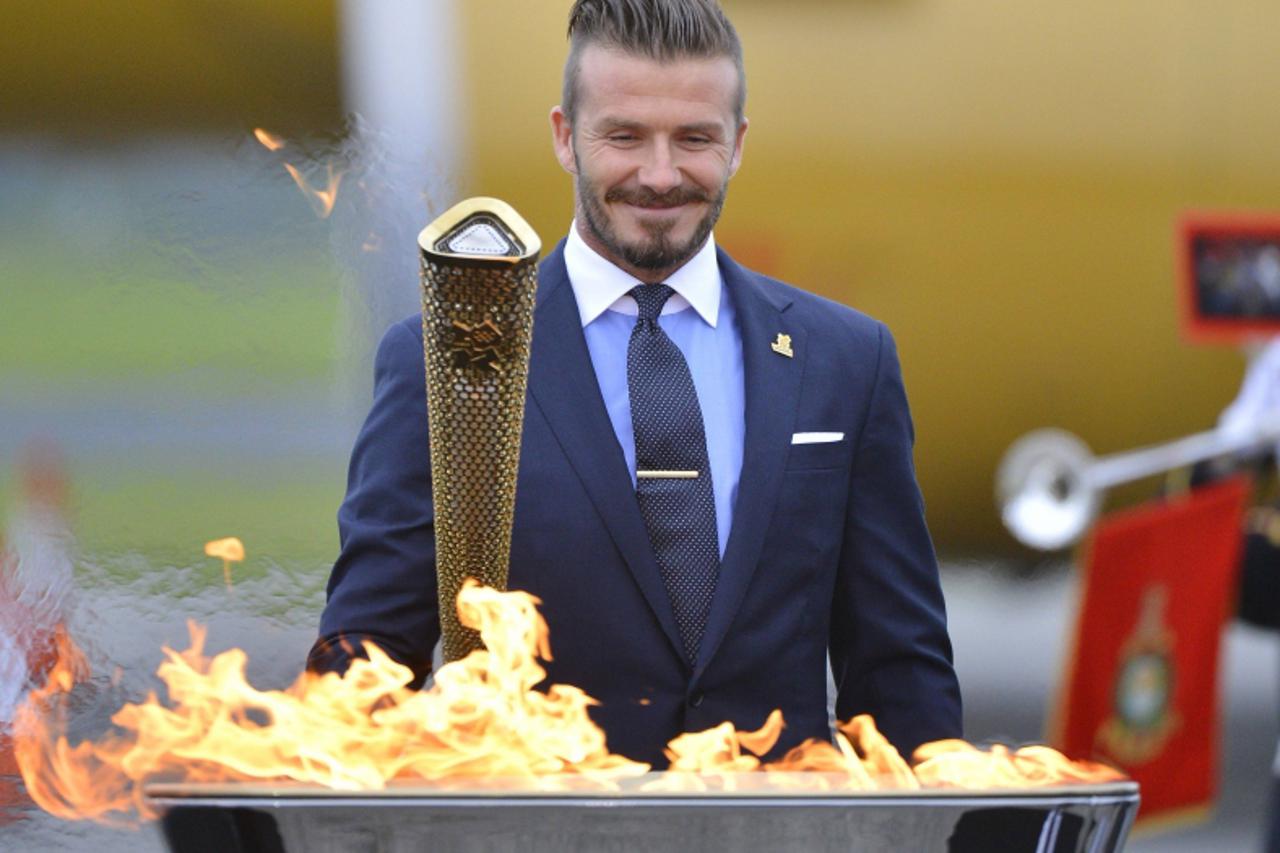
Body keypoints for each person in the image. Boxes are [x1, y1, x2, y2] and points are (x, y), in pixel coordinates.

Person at [308, 0, 962, 767]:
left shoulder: (846, 360)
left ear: (739, 143)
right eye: (624, 137)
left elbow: (900, 674)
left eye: (694, 139)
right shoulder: (448, 362)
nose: (660, 175)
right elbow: (367, 658)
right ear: (564, 137)